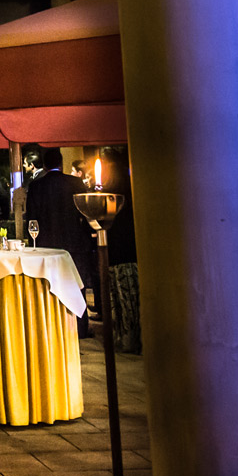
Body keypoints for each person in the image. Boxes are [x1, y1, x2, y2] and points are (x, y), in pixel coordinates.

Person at [23, 147, 96, 338]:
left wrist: (33, 243)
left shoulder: (36, 186)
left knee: (51, 286)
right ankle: (80, 328)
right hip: (75, 241)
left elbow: (31, 219)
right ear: (61, 163)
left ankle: (53, 326)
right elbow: (85, 212)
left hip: (47, 244)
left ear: (45, 165)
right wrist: (90, 235)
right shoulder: (75, 183)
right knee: (78, 285)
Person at [101, 147, 141, 354]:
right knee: (124, 293)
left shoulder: (116, 191)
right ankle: (127, 336)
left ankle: (128, 336)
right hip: (124, 247)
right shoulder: (128, 187)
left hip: (120, 248)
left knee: (124, 294)